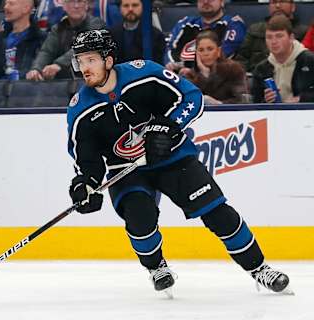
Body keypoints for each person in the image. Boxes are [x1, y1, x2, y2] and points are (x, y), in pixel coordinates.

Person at [67, 29, 291, 296]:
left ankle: (260, 269)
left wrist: (169, 127)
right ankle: (156, 267)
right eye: (80, 62)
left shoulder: (145, 73)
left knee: (217, 213)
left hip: (172, 157)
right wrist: (85, 184)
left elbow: (191, 97)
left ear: (109, 59)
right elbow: (86, 158)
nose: (84, 68)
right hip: (126, 170)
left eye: (90, 60)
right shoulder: (80, 109)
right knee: (139, 217)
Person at [26, 0, 105, 80]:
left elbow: (83, 47)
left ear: (87, 5)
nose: (76, 6)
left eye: (80, 1)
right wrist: (36, 69)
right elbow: (47, 51)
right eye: (71, 1)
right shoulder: (58, 29)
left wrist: (59, 65)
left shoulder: (97, 25)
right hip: (65, 83)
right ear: (63, 6)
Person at [164, 0, 246, 72]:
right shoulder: (185, 23)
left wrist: (193, 70)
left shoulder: (233, 24)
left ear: (222, 2)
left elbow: (225, 53)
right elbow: (169, 49)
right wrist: (172, 66)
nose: (206, 1)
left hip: (216, 79)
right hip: (179, 76)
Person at [251, 15, 314, 103]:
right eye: (269, 37)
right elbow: (255, 104)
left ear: (291, 38)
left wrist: (301, 99)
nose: (274, 42)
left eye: (279, 36)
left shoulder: (310, 61)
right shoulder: (261, 69)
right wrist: (266, 101)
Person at [235, 0, 308, 73]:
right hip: (255, 76)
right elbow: (241, 58)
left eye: (282, 1)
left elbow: (306, 62)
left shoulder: (304, 32)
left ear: (293, 7)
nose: (278, 6)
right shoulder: (254, 29)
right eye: (274, 2)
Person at [181, 30, 247, 104]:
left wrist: (219, 104)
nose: (206, 54)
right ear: (196, 53)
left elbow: (243, 100)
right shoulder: (190, 75)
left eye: (210, 49)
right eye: (201, 50)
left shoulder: (233, 69)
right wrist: (204, 76)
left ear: (218, 51)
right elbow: (188, 102)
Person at [0, 0, 46, 80]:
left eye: (11, 4)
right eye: (5, 3)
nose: (5, 7)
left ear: (26, 8)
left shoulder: (40, 39)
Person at [109, 0, 165, 64]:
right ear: (120, 8)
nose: (130, 9)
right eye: (126, 6)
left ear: (143, 7)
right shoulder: (112, 34)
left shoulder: (156, 35)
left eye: (135, 5)